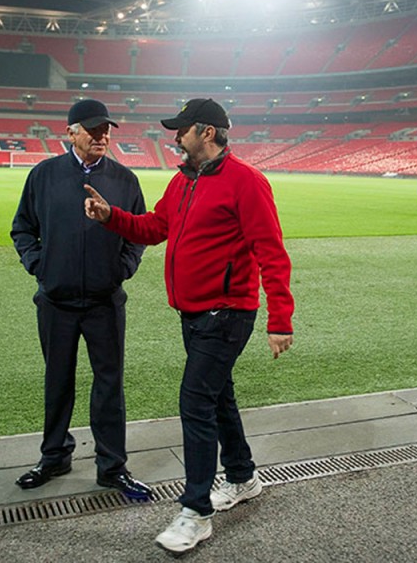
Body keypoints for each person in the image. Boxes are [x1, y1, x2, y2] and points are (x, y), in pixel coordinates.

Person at [83, 98, 294, 554]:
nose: (174, 137)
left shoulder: (247, 182)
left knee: (195, 401)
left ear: (207, 132)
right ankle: (242, 476)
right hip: (193, 312)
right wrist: (112, 218)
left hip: (228, 312)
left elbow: (271, 253)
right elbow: (156, 227)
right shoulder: (183, 182)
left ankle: (195, 512)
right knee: (218, 398)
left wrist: (280, 319)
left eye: (182, 130)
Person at [10, 98, 151, 500]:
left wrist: (122, 269)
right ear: (70, 132)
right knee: (57, 382)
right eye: (92, 129)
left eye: (106, 129)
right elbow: (22, 229)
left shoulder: (125, 180)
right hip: (56, 301)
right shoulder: (44, 175)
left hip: (106, 302)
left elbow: (138, 235)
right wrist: (40, 266)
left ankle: (112, 466)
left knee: (109, 385)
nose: (102, 136)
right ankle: (54, 456)